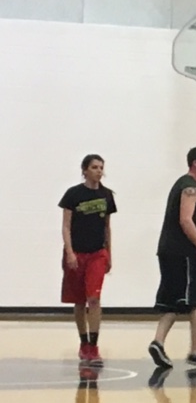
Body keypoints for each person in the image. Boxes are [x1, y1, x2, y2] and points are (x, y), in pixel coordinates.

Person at [148, 147, 196, 368]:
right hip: (183, 252)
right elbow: (186, 220)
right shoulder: (190, 187)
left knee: (172, 301)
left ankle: (158, 341)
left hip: (167, 250)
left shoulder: (181, 184)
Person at [59, 154, 117, 367]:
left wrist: (109, 252)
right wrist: (70, 252)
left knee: (94, 298)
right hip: (77, 253)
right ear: (85, 170)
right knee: (79, 300)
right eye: (94, 167)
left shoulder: (107, 195)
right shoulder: (73, 194)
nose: (99, 171)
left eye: (101, 167)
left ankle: (94, 344)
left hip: (97, 254)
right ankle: (83, 343)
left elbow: (107, 227)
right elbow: (66, 225)